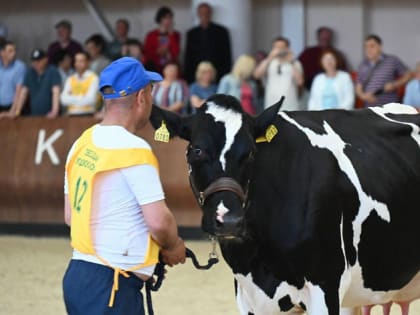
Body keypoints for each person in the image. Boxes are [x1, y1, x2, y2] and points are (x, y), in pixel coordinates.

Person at [62, 57, 186, 315]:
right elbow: (160, 222)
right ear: (141, 97)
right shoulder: (134, 149)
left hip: (78, 276)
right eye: (150, 92)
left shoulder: (82, 143)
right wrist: (173, 246)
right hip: (112, 287)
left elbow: (71, 216)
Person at [356, 34, 411, 107]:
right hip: (370, 107)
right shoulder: (363, 65)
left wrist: (395, 84)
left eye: (372, 46)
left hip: (390, 106)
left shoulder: (392, 60)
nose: (368, 50)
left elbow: (408, 75)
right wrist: (364, 96)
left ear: (380, 47)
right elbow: (358, 87)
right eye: (366, 47)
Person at [184, 2, 232, 84]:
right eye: (202, 13)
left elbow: (227, 54)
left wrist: (226, 74)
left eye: (206, 13)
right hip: (196, 75)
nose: (204, 15)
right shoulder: (192, 33)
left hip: (218, 74)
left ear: (210, 14)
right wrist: (188, 77)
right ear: (198, 14)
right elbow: (188, 56)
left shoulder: (221, 31)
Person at [254, 37, 304, 111]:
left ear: (287, 48)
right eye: (276, 47)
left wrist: (291, 62)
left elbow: (300, 82)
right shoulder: (268, 63)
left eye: (282, 47)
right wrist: (269, 58)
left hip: (290, 106)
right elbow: (256, 75)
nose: (279, 50)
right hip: (271, 105)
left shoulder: (295, 63)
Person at [8, 49, 61, 118]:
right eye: (34, 61)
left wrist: (55, 111)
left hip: (50, 115)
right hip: (34, 114)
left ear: (45, 60)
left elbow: (56, 91)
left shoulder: (52, 71)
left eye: (38, 61)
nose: (36, 63)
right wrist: (18, 111)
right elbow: (24, 92)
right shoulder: (30, 72)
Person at [298, 26, 347, 90]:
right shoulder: (308, 52)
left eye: (327, 37)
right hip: (309, 86)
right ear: (318, 37)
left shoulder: (337, 54)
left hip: (333, 85)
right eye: (323, 36)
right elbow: (298, 67)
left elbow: (343, 71)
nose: (325, 38)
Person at [60, 52, 100, 116]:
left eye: (81, 61)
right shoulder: (70, 79)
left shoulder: (94, 78)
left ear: (88, 62)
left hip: (88, 115)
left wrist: (71, 97)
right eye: (76, 61)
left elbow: (91, 100)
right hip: (71, 115)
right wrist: (82, 97)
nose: (78, 64)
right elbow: (63, 99)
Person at [144, 6, 180, 74]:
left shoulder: (176, 35)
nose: (168, 20)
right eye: (165, 17)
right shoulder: (151, 35)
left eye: (170, 17)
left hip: (170, 69)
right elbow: (147, 53)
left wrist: (171, 35)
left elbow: (176, 53)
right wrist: (157, 52)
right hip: (154, 68)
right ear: (160, 19)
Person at [0, 41, 26, 118]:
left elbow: (19, 90)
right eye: (10, 51)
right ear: (2, 53)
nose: (14, 53)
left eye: (14, 50)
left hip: (12, 105)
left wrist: (12, 110)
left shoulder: (19, 67)